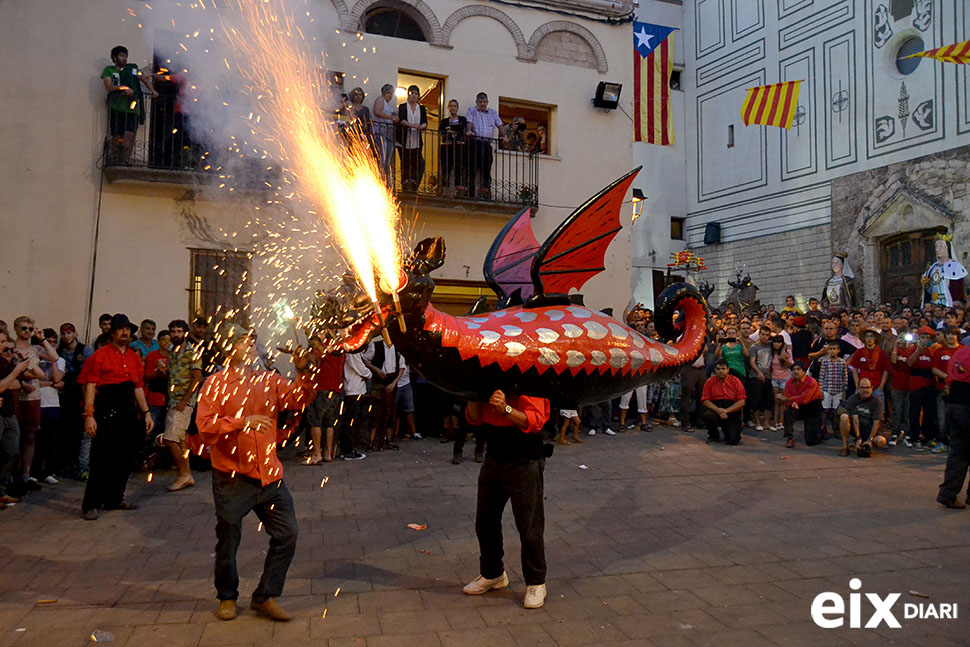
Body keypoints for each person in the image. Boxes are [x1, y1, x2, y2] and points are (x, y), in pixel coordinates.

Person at [195, 324, 313, 622]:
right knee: (228, 541)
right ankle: (226, 596)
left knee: (288, 533)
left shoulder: (269, 379)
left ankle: (265, 596)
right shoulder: (215, 384)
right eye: (243, 341)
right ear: (228, 347)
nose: (250, 345)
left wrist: (304, 371)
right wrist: (241, 421)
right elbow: (205, 426)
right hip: (232, 479)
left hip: (269, 476)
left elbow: (299, 399)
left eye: (252, 341)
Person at [462, 388, 551, 609]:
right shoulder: (486, 381)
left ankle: (536, 582)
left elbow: (534, 421)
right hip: (493, 457)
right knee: (485, 521)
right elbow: (474, 419)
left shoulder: (528, 379)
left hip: (525, 459)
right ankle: (492, 573)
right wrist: (472, 397)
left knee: (529, 525)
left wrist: (506, 409)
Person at [78, 314, 154, 520]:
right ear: (112, 332)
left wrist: (146, 413)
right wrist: (89, 415)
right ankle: (91, 504)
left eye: (127, 329)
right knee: (101, 458)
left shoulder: (134, 357)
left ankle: (114, 498)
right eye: (121, 329)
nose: (125, 332)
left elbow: (138, 387)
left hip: (128, 411)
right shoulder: (100, 355)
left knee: (125, 457)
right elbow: (91, 385)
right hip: (107, 410)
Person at [163, 319, 203, 492]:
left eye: (179, 331)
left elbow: (197, 378)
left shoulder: (192, 352)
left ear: (185, 333)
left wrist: (185, 401)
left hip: (183, 402)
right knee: (179, 440)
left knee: (169, 438)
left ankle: (184, 474)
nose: (176, 334)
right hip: (173, 400)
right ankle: (186, 476)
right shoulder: (173, 352)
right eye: (173, 331)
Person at [101, 45, 157, 162]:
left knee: (130, 135)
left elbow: (144, 79)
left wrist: (152, 90)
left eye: (126, 56)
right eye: (122, 56)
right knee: (117, 134)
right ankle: (116, 158)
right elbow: (109, 86)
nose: (124, 58)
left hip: (132, 109)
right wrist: (123, 88)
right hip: (117, 107)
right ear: (114, 57)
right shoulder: (109, 70)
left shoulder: (133, 69)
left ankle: (126, 159)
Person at [58, 323, 94, 477]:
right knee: (67, 431)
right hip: (65, 395)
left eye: (69, 332)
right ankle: (67, 463)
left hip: (81, 393)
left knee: (83, 434)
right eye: (64, 333)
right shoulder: (60, 351)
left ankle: (82, 467)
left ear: (75, 333)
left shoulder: (85, 350)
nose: (66, 336)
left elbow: (88, 372)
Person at [937, 343, 970, 508]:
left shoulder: (959, 353)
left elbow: (949, 379)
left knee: (958, 452)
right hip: (967, 406)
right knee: (961, 453)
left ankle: (948, 493)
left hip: (954, 405)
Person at [0, 333, 30, 510]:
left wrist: (20, 363)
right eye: (2, 342)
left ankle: (1, 490)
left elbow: (15, 384)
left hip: (8, 412)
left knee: (11, 451)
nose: (6, 345)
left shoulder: (4, 362)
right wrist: (16, 372)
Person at [34, 329, 65, 484]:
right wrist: (51, 383)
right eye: (48, 342)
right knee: (35, 439)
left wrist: (52, 359)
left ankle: (48, 471)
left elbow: (58, 377)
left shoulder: (59, 360)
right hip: (37, 402)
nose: (51, 345)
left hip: (53, 403)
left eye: (54, 342)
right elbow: (33, 383)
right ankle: (34, 471)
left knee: (51, 440)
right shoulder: (34, 357)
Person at [930, 326, 963, 453]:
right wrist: (948, 378)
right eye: (948, 334)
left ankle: (956, 443)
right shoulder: (940, 351)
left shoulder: (963, 350)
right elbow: (934, 369)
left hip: (960, 390)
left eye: (953, 334)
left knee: (958, 417)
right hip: (942, 388)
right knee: (942, 417)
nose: (951, 337)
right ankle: (943, 442)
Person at [465, 92, 504, 199]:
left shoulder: (493, 112)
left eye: (484, 101)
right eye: (480, 102)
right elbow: (469, 122)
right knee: (472, 169)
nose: (482, 104)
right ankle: (471, 193)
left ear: (487, 102)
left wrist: (503, 136)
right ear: (477, 102)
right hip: (475, 143)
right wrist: (468, 131)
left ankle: (486, 193)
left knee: (486, 170)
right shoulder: (472, 110)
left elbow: (500, 125)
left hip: (487, 144)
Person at [905, 326, 939, 449]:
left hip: (929, 383)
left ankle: (927, 436)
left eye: (927, 338)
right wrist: (918, 350)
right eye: (923, 337)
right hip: (915, 383)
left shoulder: (933, 351)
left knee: (929, 412)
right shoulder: (913, 349)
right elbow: (909, 363)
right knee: (914, 412)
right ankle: (914, 437)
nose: (925, 340)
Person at [700, 360, 747, 445]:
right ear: (714, 370)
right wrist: (718, 410)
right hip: (716, 408)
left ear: (728, 369)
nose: (721, 371)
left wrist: (726, 411)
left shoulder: (735, 381)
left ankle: (733, 428)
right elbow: (705, 400)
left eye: (723, 368)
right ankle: (713, 436)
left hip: (732, 409)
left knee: (732, 441)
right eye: (718, 369)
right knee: (708, 416)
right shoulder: (710, 381)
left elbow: (741, 401)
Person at [837, 378, 887, 457]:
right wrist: (858, 437)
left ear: (872, 388)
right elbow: (855, 419)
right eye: (862, 388)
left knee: (881, 441)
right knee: (844, 417)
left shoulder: (877, 402)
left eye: (867, 387)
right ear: (858, 388)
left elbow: (876, 423)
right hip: (857, 428)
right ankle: (845, 447)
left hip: (871, 431)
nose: (865, 390)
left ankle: (866, 445)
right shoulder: (853, 399)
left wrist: (870, 439)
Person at [779, 362, 823, 448]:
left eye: (798, 369)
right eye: (794, 370)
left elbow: (805, 398)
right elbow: (788, 397)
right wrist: (792, 403)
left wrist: (791, 400)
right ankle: (789, 437)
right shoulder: (789, 382)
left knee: (811, 442)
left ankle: (820, 431)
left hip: (812, 408)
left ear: (804, 371)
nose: (795, 372)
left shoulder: (811, 381)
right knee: (788, 412)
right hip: (797, 406)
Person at [921, 234, 968, 307]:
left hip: (948, 302)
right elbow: (930, 289)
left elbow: (958, 287)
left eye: (941, 246)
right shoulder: (931, 268)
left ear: (948, 248)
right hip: (933, 303)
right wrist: (926, 285)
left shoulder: (955, 266)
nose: (938, 249)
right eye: (936, 246)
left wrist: (957, 301)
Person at [396, 85, 427, 192]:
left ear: (418, 96)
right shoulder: (403, 106)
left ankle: (414, 185)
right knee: (405, 164)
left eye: (416, 93)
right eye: (412, 93)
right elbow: (402, 120)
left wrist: (422, 126)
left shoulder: (422, 108)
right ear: (408, 95)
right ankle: (405, 186)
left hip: (416, 141)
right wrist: (413, 126)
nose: (414, 95)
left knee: (418, 164)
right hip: (404, 140)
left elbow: (424, 122)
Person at [847, 328, 891, 401]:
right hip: (862, 385)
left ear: (875, 338)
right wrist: (857, 384)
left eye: (871, 336)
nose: (869, 339)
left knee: (879, 408)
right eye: (867, 336)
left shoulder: (882, 353)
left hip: (877, 386)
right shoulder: (859, 352)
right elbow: (854, 369)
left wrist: (881, 386)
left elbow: (885, 371)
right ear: (864, 338)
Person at [143, 330, 171, 441]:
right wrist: (157, 372)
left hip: (168, 397)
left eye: (169, 340)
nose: (166, 343)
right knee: (150, 427)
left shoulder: (174, 357)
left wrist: (165, 373)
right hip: (154, 397)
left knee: (167, 429)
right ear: (158, 341)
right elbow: (146, 378)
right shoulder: (151, 356)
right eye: (164, 340)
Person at [818, 341, 848, 439]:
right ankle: (823, 428)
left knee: (836, 411)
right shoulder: (825, 362)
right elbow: (821, 376)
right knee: (825, 410)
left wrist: (844, 390)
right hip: (827, 389)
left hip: (838, 389)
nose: (832, 351)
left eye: (834, 349)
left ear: (838, 350)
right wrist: (821, 390)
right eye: (830, 349)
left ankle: (836, 429)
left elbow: (845, 377)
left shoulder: (842, 362)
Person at [438, 99, 468, 194]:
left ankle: (458, 189)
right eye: (451, 106)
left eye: (454, 106)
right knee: (446, 168)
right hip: (446, 147)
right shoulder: (444, 121)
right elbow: (441, 131)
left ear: (457, 108)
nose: (452, 108)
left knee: (458, 167)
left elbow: (462, 128)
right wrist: (456, 130)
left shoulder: (462, 119)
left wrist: (450, 129)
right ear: (448, 108)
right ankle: (444, 190)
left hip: (459, 147)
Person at [372, 84, 399, 182]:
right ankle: (379, 177)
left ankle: (384, 179)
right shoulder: (380, 100)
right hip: (380, 131)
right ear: (384, 93)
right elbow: (377, 112)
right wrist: (391, 118)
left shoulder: (390, 107)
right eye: (388, 93)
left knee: (387, 160)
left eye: (391, 94)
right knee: (381, 157)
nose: (390, 96)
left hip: (389, 134)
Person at [769, 336, 792, 432]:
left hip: (784, 378)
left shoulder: (787, 352)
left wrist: (784, 356)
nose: (776, 344)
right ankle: (775, 422)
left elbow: (791, 365)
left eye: (779, 342)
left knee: (783, 401)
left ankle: (781, 422)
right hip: (774, 378)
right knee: (776, 400)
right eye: (775, 342)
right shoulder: (770, 352)